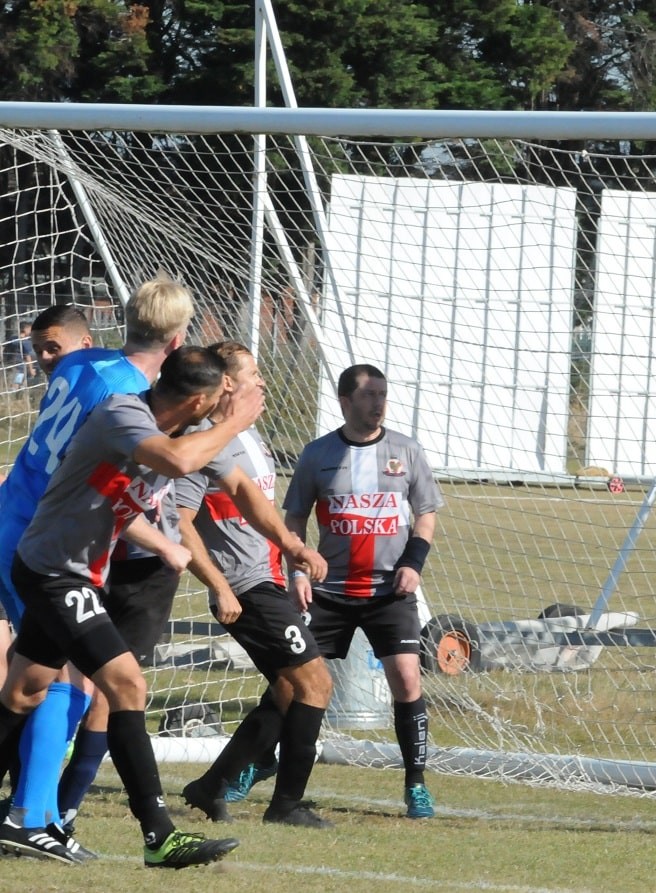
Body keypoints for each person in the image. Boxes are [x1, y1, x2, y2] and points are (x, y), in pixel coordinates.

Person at [0, 345, 264, 868]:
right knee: (127, 684)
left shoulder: (172, 431)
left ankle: (13, 821)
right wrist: (234, 420)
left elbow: (112, 493)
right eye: (214, 399)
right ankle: (160, 835)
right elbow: (180, 461)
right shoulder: (124, 412)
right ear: (197, 402)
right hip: (53, 572)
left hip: (75, 573)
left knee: (25, 691)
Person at [0, 280, 194, 862]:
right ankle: (32, 816)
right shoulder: (129, 397)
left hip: (16, 513)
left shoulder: (83, 361)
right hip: (46, 539)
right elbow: (98, 485)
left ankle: (37, 814)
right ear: (179, 340)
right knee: (65, 678)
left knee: (37, 676)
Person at [175, 341, 335, 829]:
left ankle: (211, 786)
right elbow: (179, 522)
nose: (263, 383)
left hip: (269, 580)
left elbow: (256, 506)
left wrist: (293, 560)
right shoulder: (203, 442)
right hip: (245, 587)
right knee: (315, 684)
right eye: (253, 374)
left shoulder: (250, 438)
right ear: (227, 384)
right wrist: (220, 585)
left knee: (288, 692)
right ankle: (286, 806)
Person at [283, 364, 444, 819]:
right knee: (290, 682)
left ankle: (416, 783)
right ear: (345, 401)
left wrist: (413, 563)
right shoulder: (317, 454)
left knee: (408, 678)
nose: (378, 403)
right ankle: (255, 765)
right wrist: (298, 573)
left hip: (388, 591)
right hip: (327, 591)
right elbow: (294, 519)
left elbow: (426, 514)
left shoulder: (405, 451)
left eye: (383, 394)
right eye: (369, 395)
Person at [5, 321, 37, 390]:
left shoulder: (12, 338)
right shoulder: (26, 342)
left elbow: (4, 347)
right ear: (25, 329)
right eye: (30, 329)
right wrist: (31, 369)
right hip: (20, 367)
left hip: (9, 364)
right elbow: (28, 356)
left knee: (10, 381)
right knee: (17, 384)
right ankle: (16, 392)